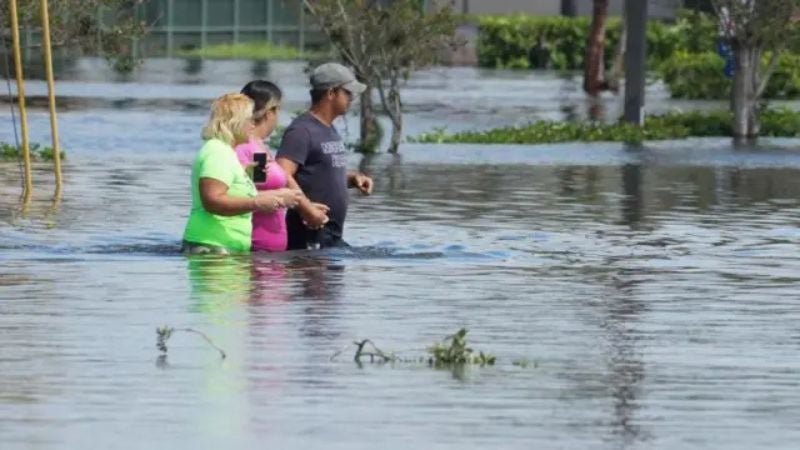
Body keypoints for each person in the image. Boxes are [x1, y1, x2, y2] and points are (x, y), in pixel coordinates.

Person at [182, 93, 303, 254]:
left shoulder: (227, 152)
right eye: (249, 120)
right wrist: (258, 203)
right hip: (212, 248)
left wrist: (247, 174)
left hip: (225, 248)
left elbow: (233, 187)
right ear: (235, 122)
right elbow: (212, 201)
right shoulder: (217, 152)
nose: (253, 125)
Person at [276, 63, 374, 250]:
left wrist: (352, 179)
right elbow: (282, 173)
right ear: (331, 93)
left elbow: (317, 173)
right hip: (309, 234)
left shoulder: (328, 128)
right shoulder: (302, 131)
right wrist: (308, 210)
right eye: (347, 93)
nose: (351, 99)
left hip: (329, 233)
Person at [235, 81, 329, 252]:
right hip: (257, 250)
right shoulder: (248, 148)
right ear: (270, 112)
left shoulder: (260, 148)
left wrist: (304, 206)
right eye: (278, 110)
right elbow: (248, 195)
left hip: (269, 254)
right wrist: (294, 203)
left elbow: (261, 189)